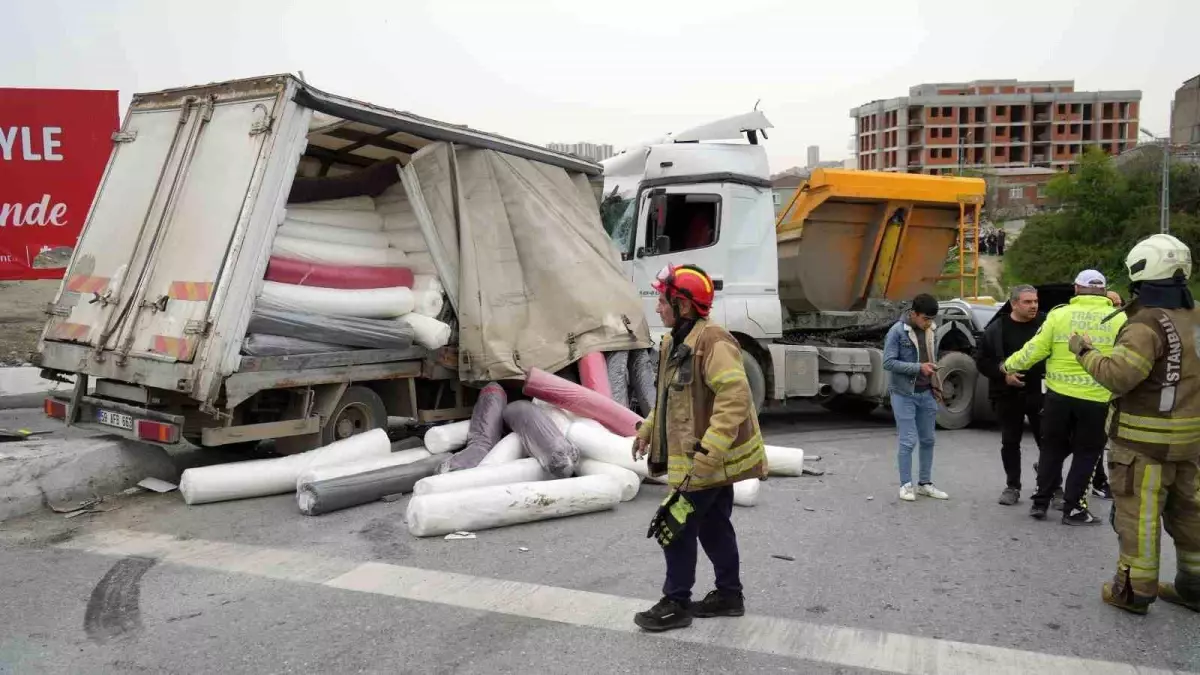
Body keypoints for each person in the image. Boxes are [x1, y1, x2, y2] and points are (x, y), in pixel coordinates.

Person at [632, 264, 767, 632]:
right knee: (713, 527)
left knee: (674, 525)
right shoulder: (677, 341)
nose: (657, 307)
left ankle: (676, 602)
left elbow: (735, 398)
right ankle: (729, 595)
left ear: (683, 305)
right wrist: (647, 428)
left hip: (706, 459)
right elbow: (670, 396)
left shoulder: (714, 341)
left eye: (662, 301)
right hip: (705, 459)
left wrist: (709, 453)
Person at [1070, 234, 1200, 614]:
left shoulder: (1145, 324)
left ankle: (1134, 591)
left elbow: (1118, 376)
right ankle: (1194, 587)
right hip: (1191, 443)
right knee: (1190, 514)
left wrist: (1084, 349)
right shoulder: (1195, 318)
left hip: (1144, 445)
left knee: (1139, 518)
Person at [1003, 269, 1126, 524]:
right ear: (1104, 291)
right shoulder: (1119, 319)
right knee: (1087, 453)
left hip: (1058, 398)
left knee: (1051, 449)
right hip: (1097, 399)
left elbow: (1034, 349)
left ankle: (1040, 502)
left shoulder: (1059, 315)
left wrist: (1009, 366)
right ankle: (1074, 509)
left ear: (1076, 289)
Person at [976, 285, 1045, 505]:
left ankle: (1051, 485)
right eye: (1027, 302)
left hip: (1041, 393)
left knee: (1049, 443)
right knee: (1010, 442)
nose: (1033, 305)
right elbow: (982, 361)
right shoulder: (997, 328)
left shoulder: (1046, 324)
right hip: (1008, 394)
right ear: (1014, 303)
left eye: (1035, 301)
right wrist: (1003, 375)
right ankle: (1012, 486)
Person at [883, 293, 949, 502]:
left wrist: (934, 380)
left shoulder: (931, 331)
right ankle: (905, 485)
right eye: (925, 318)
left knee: (928, 439)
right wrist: (918, 368)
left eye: (932, 319)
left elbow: (931, 358)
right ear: (913, 313)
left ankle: (925, 484)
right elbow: (888, 363)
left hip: (926, 392)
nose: (929, 323)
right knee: (908, 441)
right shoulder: (896, 332)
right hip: (904, 393)